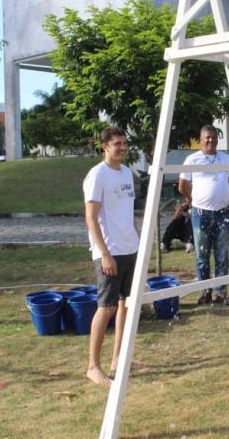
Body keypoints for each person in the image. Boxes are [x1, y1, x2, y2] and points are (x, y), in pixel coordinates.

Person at [82, 125, 140, 386]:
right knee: (106, 308)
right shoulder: (97, 175)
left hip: (130, 248)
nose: (122, 148)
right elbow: (91, 218)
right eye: (117, 143)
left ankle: (118, 359)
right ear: (104, 146)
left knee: (127, 305)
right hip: (109, 251)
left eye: (124, 143)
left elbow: (127, 213)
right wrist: (104, 254)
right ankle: (93, 366)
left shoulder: (127, 173)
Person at [178, 125, 229, 305]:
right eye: (207, 138)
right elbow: (182, 185)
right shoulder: (192, 159)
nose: (211, 141)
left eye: (214, 137)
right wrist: (193, 199)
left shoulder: (225, 158)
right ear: (200, 139)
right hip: (201, 214)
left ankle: (221, 292)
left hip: (223, 213)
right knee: (202, 255)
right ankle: (205, 292)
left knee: (222, 254)